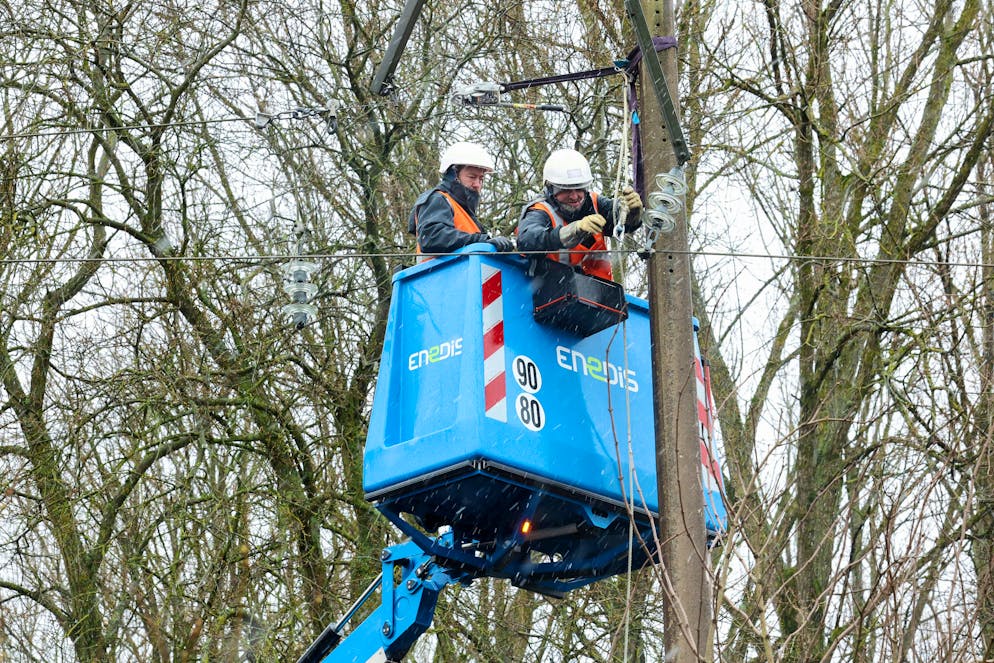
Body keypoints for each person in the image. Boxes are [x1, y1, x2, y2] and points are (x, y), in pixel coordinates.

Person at [517, 148, 643, 281]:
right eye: (565, 190)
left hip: (600, 291)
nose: (574, 196)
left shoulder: (594, 203)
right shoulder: (540, 211)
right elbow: (527, 240)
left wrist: (631, 214)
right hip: (551, 290)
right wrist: (573, 230)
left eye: (579, 188)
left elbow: (620, 223)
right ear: (550, 188)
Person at [408, 141, 515, 260]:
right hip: (440, 271)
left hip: (464, 270)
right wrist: (482, 240)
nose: (477, 184)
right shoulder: (437, 199)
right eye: (472, 177)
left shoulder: (467, 214)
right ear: (453, 175)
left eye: (481, 179)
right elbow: (433, 237)